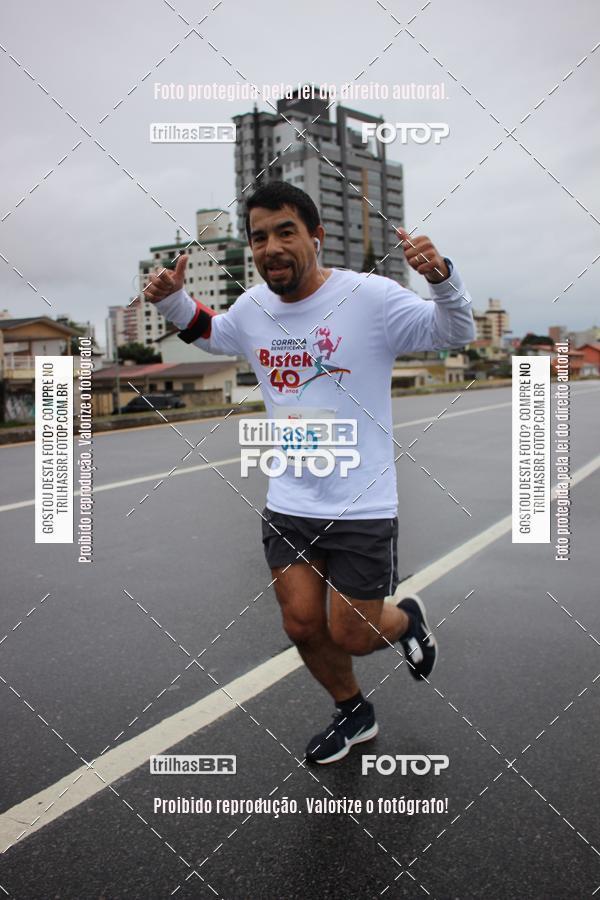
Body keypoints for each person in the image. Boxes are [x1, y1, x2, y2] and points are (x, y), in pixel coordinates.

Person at [145, 181, 476, 764]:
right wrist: (172, 299)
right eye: (258, 237)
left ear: (316, 237)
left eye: (285, 231)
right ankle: (354, 712)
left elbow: (455, 334)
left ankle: (406, 622)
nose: (270, 246)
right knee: (301, 625)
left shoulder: (369, 298)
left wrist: (443, 278)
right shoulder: (252, 308)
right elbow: (213, 333)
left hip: (362, 502)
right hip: (291, 500)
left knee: (352, 633)